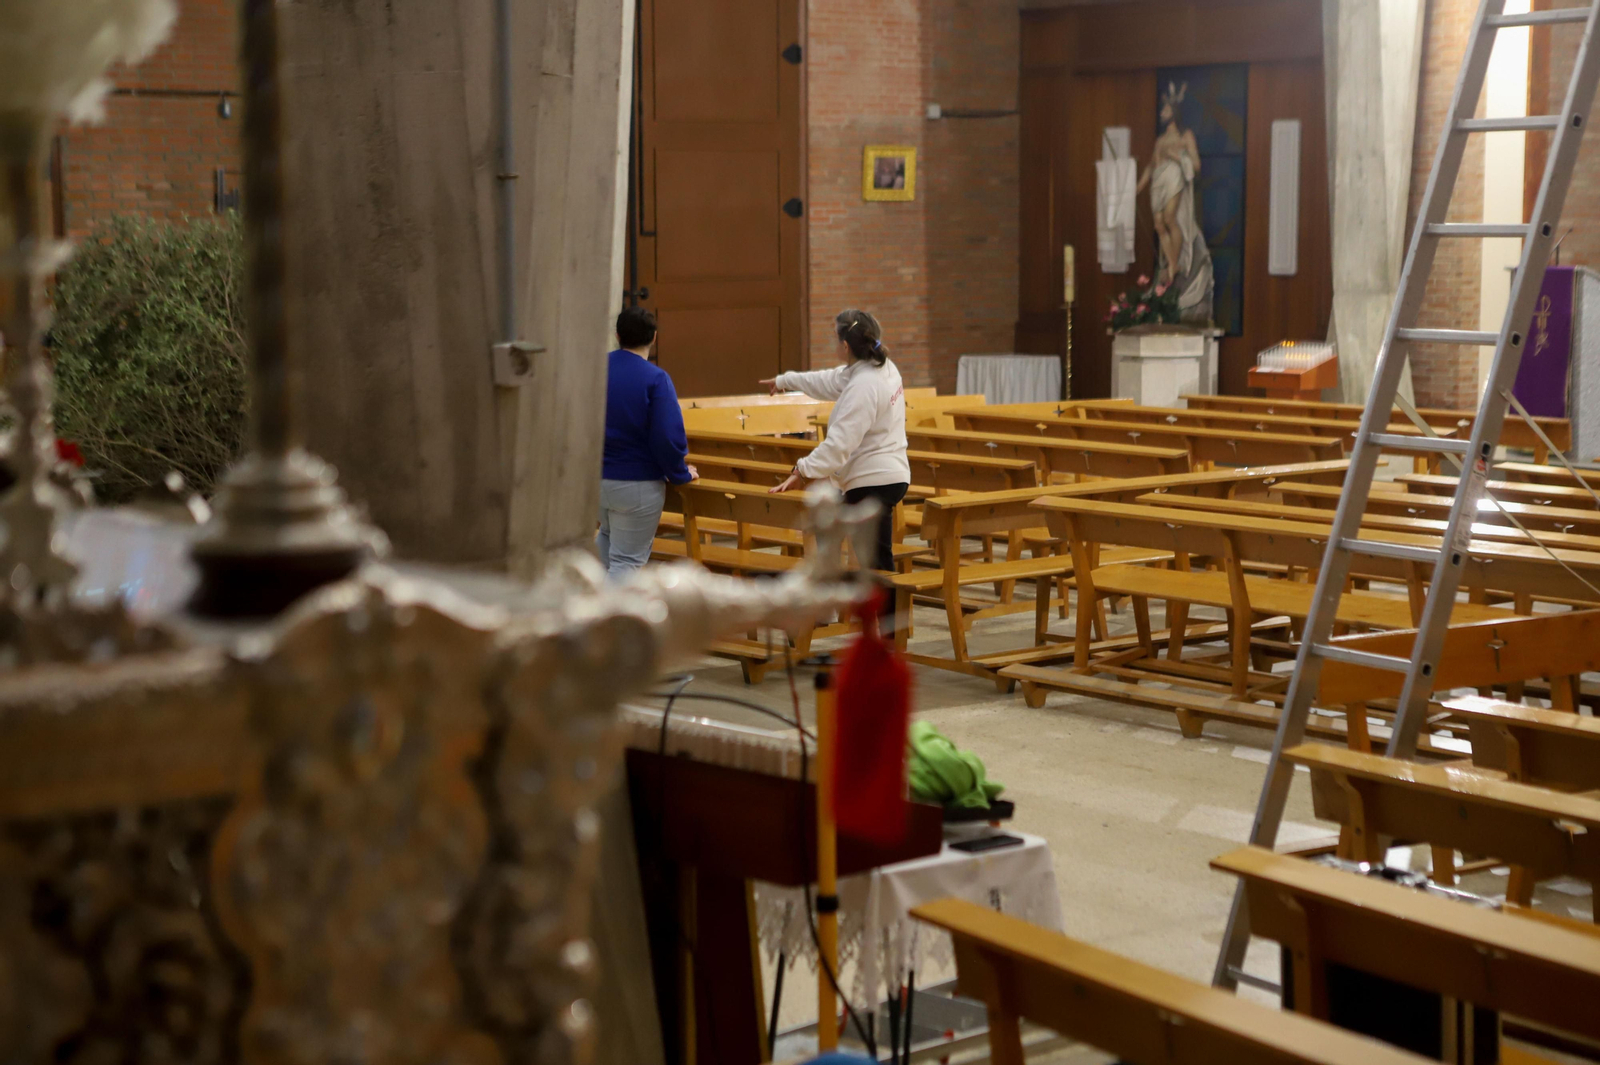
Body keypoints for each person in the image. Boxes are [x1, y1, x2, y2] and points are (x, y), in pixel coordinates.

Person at [759, 308, 911, 629]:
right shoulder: (875, 367)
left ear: (845, 346)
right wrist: (785, 381)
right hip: (885, 475)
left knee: (875, 563)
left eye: (835, 338)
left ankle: (886, 637)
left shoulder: (865, 385)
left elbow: (839, 445)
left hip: (873, 481)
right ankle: (832, 612)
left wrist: (801, 471)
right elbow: (828, 380)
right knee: (840, 545)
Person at [598, 306, 696, 577]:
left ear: (617, 335)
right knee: (626, 563)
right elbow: (666, 436)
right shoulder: (655, 378)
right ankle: (610, 619)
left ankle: (583, 608)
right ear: (653, 338)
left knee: (606, 539)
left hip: (595, 479)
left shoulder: (594, 369)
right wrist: (680, 473)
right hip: (636, 483)